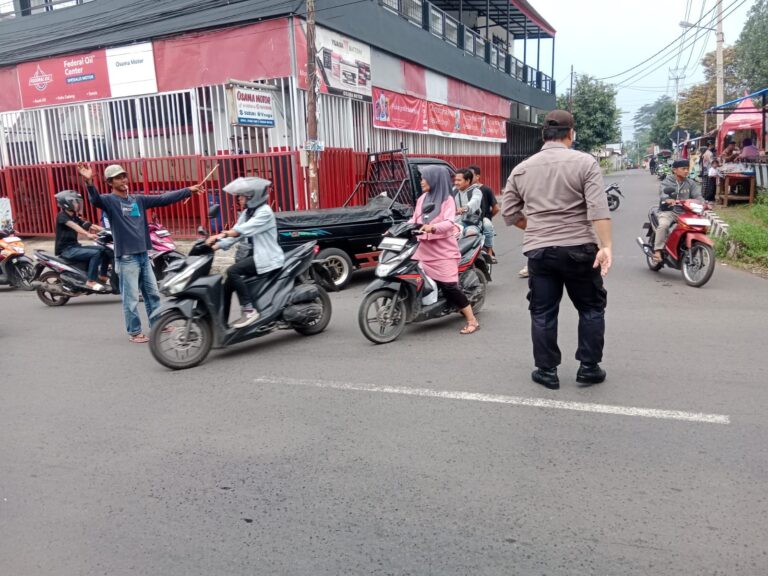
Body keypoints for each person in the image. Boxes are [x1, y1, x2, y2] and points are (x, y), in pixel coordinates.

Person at [502, 110, 612, 390]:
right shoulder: (585, 163)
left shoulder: (522, 169)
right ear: (571, 133)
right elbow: (598, 209)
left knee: (542, 312)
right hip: (579, 248)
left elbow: (509, 212)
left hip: (539, 253)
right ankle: (589, 367)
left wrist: (536, 228)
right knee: (590, 308)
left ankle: (546, 371)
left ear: (543, 135)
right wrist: (606, 246)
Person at [78, 162, 203, 343]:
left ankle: (158, 323)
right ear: (110, 182)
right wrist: (89, 182)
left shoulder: (138, 199)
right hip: (126, 257)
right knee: (130, 298)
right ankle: (134, 332)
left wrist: (188, 190)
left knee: (152, 293)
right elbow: (95, 200)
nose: (123, 180)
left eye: (124, 176)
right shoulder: (109, 201)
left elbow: (163, 198)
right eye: (118, 178)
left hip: (144, 254)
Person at [205, 177, 285, 329]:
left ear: (252, 197)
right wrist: (213, 248)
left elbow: (241, 231)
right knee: (226, 286)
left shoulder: (265, 212)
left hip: (268, 257)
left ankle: (249, 310)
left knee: (232, 270)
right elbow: (236, 234)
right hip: (255, 256)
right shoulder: (248, 213)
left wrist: (219, 235)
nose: (239, 199)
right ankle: (220, 326)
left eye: (242, 196)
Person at [411, 165, 480, 335]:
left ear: (435, 179)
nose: (421, 181)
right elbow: (413, 220)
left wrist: (432, 228)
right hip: (424, 249)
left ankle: (472, 320)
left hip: (443, 252)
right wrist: (395, 230)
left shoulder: (447, 200)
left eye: (424, 178)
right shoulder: (422, 199)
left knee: (449, 286)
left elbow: (449, 222)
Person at [54, 190, 110, 291]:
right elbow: (74, 226)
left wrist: (107, 230)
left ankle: (102, 275)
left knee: (104, 249)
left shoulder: (74, 216)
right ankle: (91, 281)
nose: (77, 204)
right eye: (75, 202)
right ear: (66, 203)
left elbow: (89, 225)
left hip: (75, 246)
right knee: (95, 253)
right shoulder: (61, 216)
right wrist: (87, 234)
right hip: (66, 250)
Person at [653, 159, 703, 263]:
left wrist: (704, 203)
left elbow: (698, 196)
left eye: (687, 169)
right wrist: (667, 199)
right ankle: (657, 251)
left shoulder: (690, 183)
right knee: (664, 225)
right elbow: (663, 193)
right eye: (683, 169)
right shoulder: (667, 181)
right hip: (669, 211)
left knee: (696, 227)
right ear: (675, 170)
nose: (686, 171)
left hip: (685, 213)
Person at [467, 164, 500, 262]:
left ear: (477, 176)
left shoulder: (486, 189)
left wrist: (488, 216)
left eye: (471, 175)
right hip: (467, 218)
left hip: (482, 218)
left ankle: (490, 252)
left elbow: (496, 208)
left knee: (488, 225)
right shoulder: (464, 190)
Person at [452, 168, 483, 236]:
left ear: (467, 181)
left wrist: (465, 208)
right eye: (455, 180)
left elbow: (475, 201)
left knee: (470, 233)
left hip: (472, 223)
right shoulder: (453, 191)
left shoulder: (476, 191)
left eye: (459, 180)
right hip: (455, 222)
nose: (456, 183)